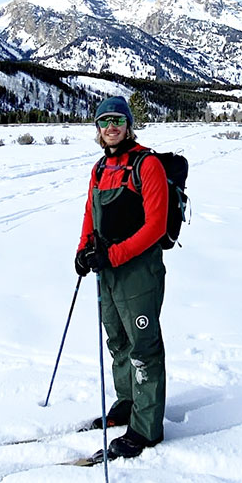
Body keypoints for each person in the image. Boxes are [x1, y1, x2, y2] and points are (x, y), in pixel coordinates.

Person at [75, 96, 168, 458]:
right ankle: (127, 403)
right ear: (98, 130)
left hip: (138, 271)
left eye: (117, 120)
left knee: (143, 347)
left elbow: (156, 227)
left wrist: (113, 255)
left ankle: (146, 428)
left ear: (129, 125)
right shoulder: (99, 169)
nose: (111, 127)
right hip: (107, 270)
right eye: (103, 122)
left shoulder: (148, 165)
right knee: (118, 340)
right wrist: (83, 250)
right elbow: (90, 216)